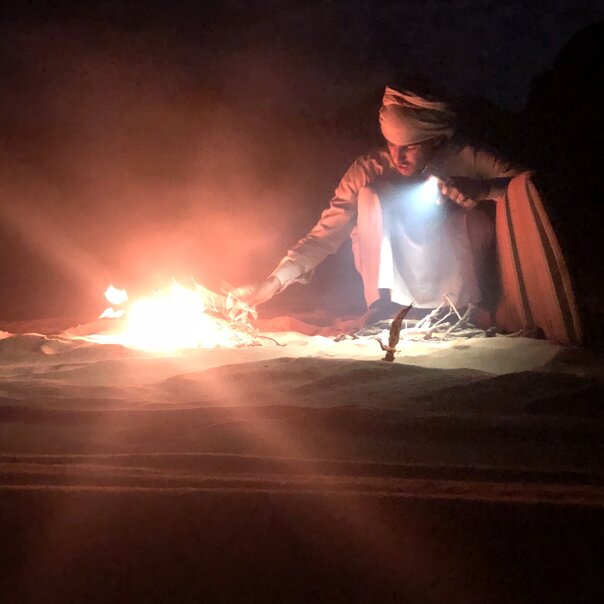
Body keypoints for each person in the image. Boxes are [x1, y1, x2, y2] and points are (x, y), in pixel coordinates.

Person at [234, 82, 583, 345]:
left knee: (473, 216)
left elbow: (532, 189)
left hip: (457, 293)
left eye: (410, 148)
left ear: (436, 141)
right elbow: (327, 232)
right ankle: (383, 307)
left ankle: (467, 309)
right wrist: (273, 282)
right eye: (391, 145)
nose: (397, 157)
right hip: (387, 293)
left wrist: (484, 190)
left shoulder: (466, 158)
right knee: (371, 196)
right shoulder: (368, 169)